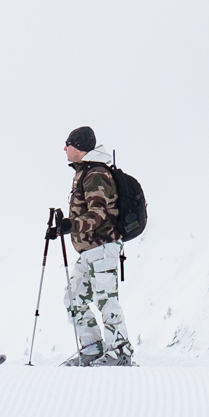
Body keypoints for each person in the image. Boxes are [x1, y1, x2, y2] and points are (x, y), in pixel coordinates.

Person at [50, 126, 133, 366]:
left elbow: (99, 213)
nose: (65, 148)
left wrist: (70, 225)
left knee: (107, 300)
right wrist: (60, 229)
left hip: (103, 247)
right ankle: (92, 347)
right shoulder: (84, 172)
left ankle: (120, 352)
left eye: (68, 144)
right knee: (73, 297)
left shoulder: (96, 174)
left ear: (80, 147)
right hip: (89, 250)